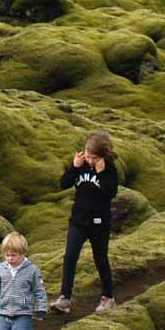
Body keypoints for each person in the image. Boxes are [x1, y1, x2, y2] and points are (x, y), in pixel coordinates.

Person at [50, 131, 119, 314]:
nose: (89, 160)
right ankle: (64, 298)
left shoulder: (109, 169)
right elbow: (63, 184)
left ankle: (108, 297)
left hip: (99, 224)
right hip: (78, 221)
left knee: (100, 259)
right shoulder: (80, 165)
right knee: (70, 257)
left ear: (103, 156)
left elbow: (110, 192)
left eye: (93, 158)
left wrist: (101, 173)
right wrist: (74, 167)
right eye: (88, 155)